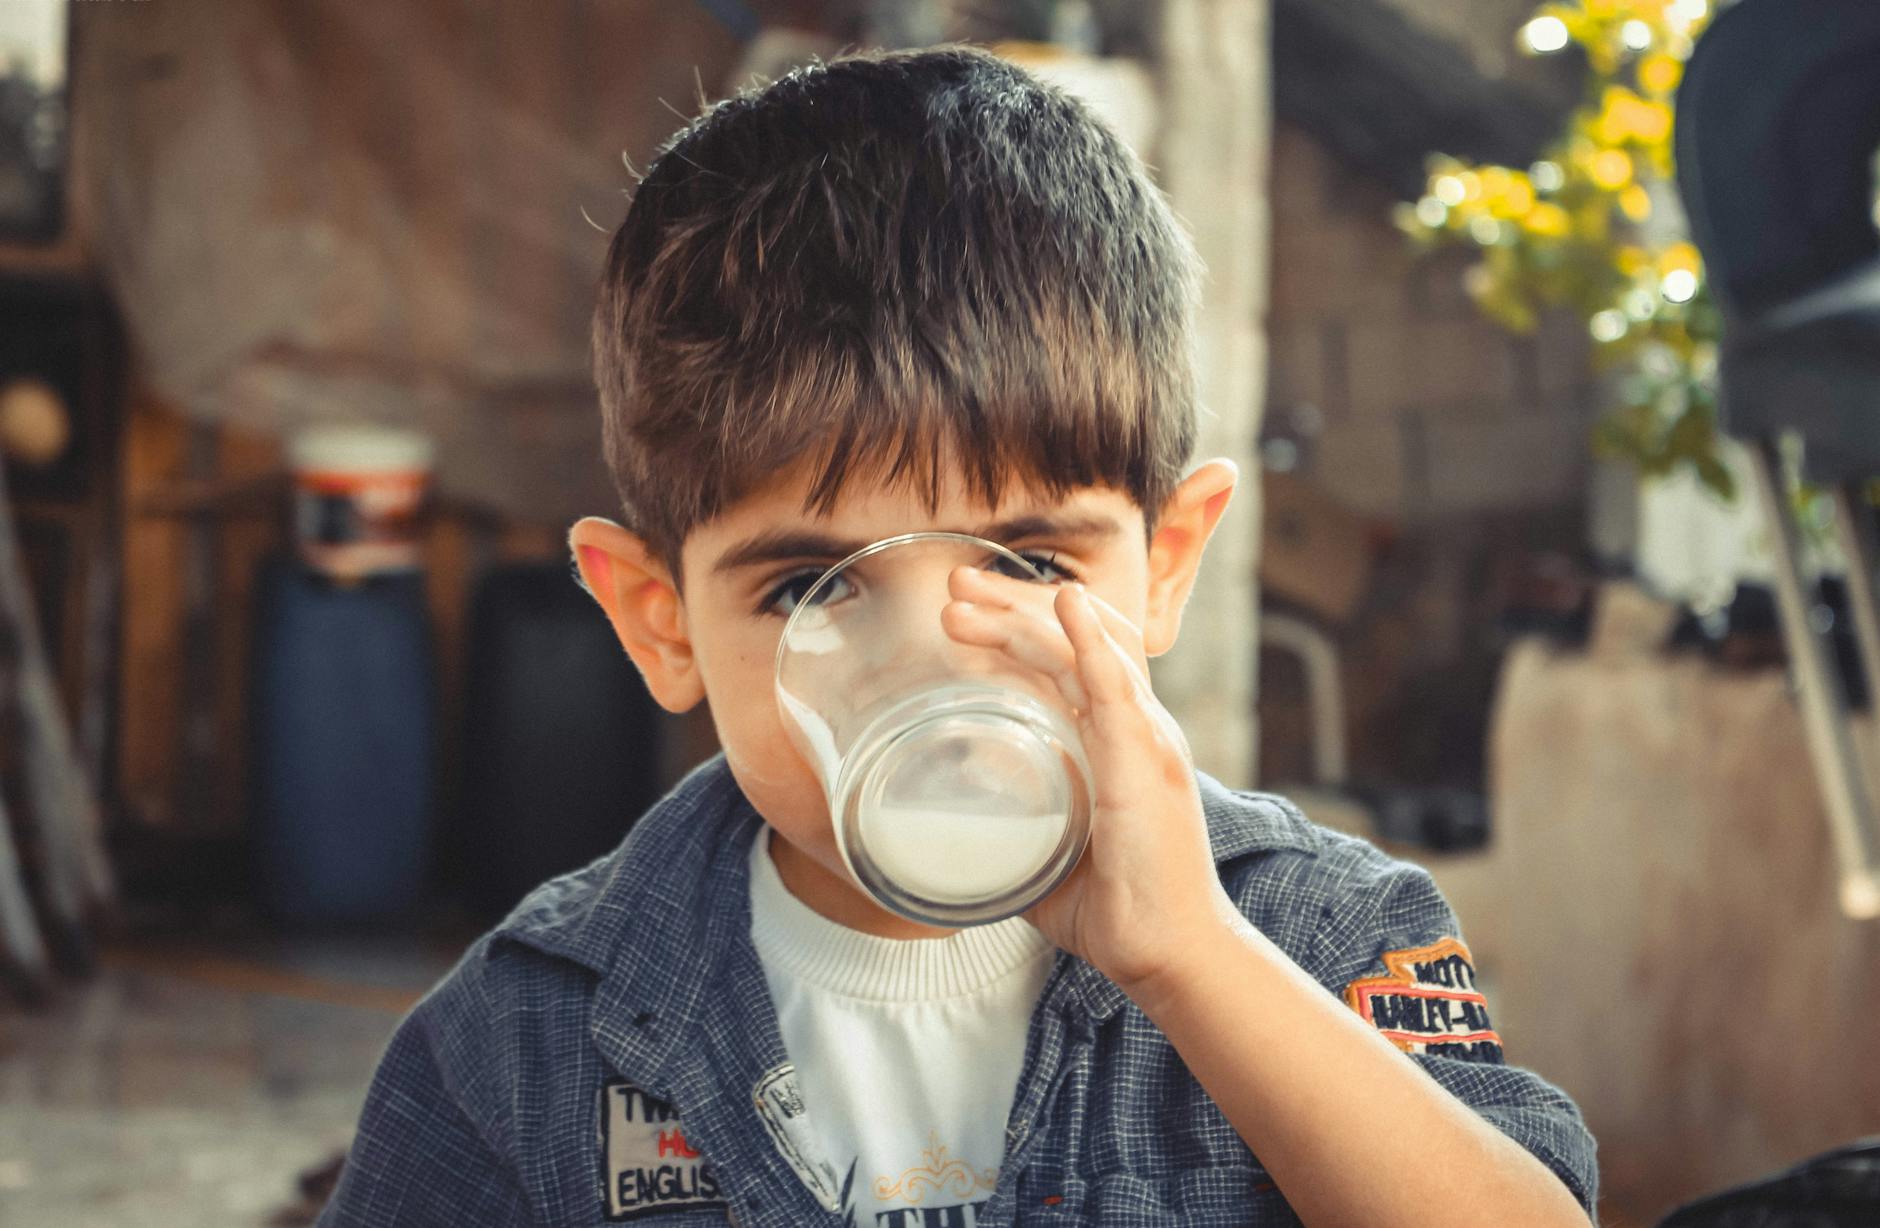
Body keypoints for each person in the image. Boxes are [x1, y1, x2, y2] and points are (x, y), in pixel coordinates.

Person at [317, 45, 1598, 1227]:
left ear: (1162, 567)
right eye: (810, 585)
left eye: (1028, 563)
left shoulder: (1319, 939)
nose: (933, 655)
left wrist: (1193, 958)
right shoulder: (523, 1044)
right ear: (662, 625)